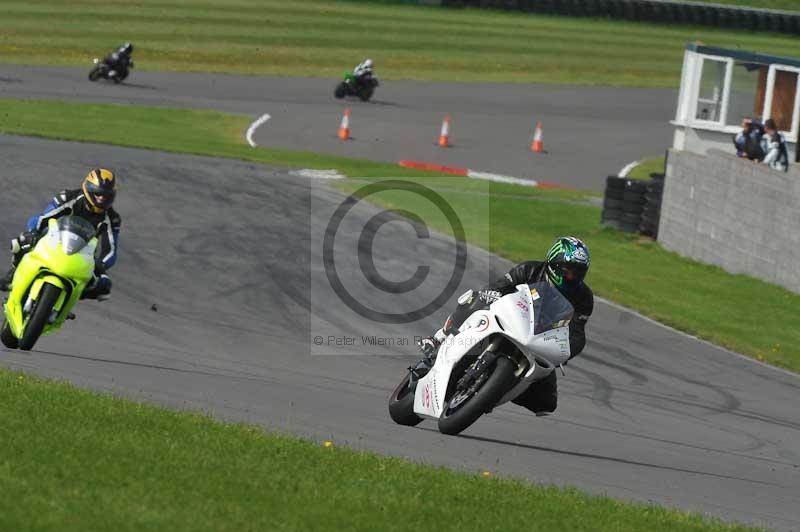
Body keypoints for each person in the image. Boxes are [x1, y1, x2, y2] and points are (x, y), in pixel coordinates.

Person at [415, 236, 593, 416]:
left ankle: (494, 391)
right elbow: (500, 286)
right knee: (474, 299)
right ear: (555, 264)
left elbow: (577, 332)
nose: (573, 276)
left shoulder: (584, 298)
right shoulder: (530, 269)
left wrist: (566, 351)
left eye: (579, 272)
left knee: (547, 403)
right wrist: (490, 294)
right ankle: (440, 338)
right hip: (510, 319)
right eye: (569, 270)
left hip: (539, 341)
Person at [0, 169, 121, 301]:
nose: (102, 198)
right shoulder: (69, 197)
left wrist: (101, 265)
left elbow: (111, 250)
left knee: (104, 287)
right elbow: (43, 218)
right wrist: (33, 232)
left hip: (83, 253)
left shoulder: (112, 218)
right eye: (98, 194)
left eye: (106, 195)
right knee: (22, 241)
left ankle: (66, 300)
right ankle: (13, 274)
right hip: (53, 239)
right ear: (88, 189)